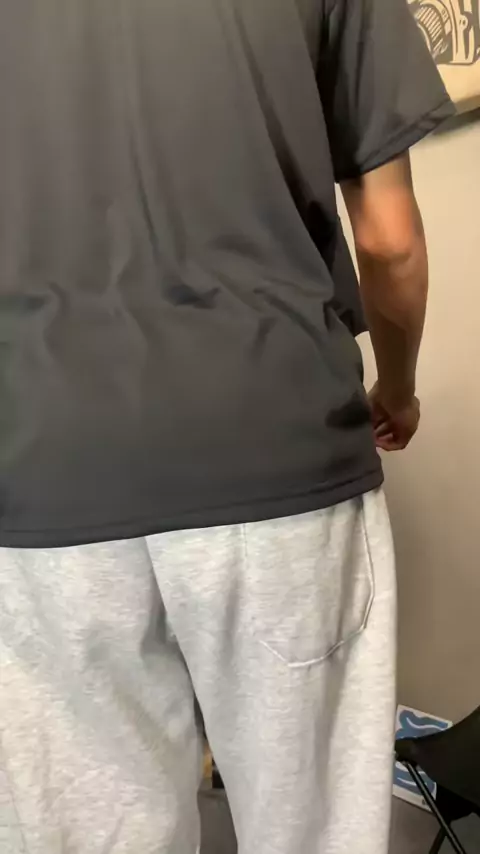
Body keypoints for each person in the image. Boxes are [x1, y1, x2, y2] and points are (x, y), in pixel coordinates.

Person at [0, 1, 454, 853]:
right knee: (317, 829)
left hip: (40, 465)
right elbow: (391, 242)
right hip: (276, 439)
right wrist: (398, 388)